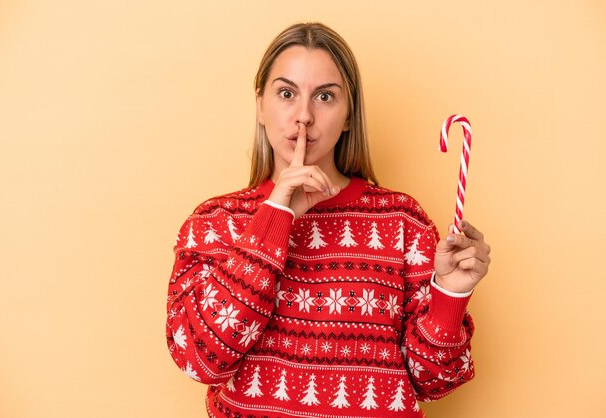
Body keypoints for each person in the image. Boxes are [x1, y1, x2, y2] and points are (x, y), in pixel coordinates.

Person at [166, 22, 491, 418]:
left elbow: (434, 382)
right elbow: (200, 360)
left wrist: (449, 298)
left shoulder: (402, 222)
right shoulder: (215, 223)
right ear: (260, 106)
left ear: (349, 115)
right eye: (286, 94)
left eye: (324, 97)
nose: (303, 116)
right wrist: (274, 218)